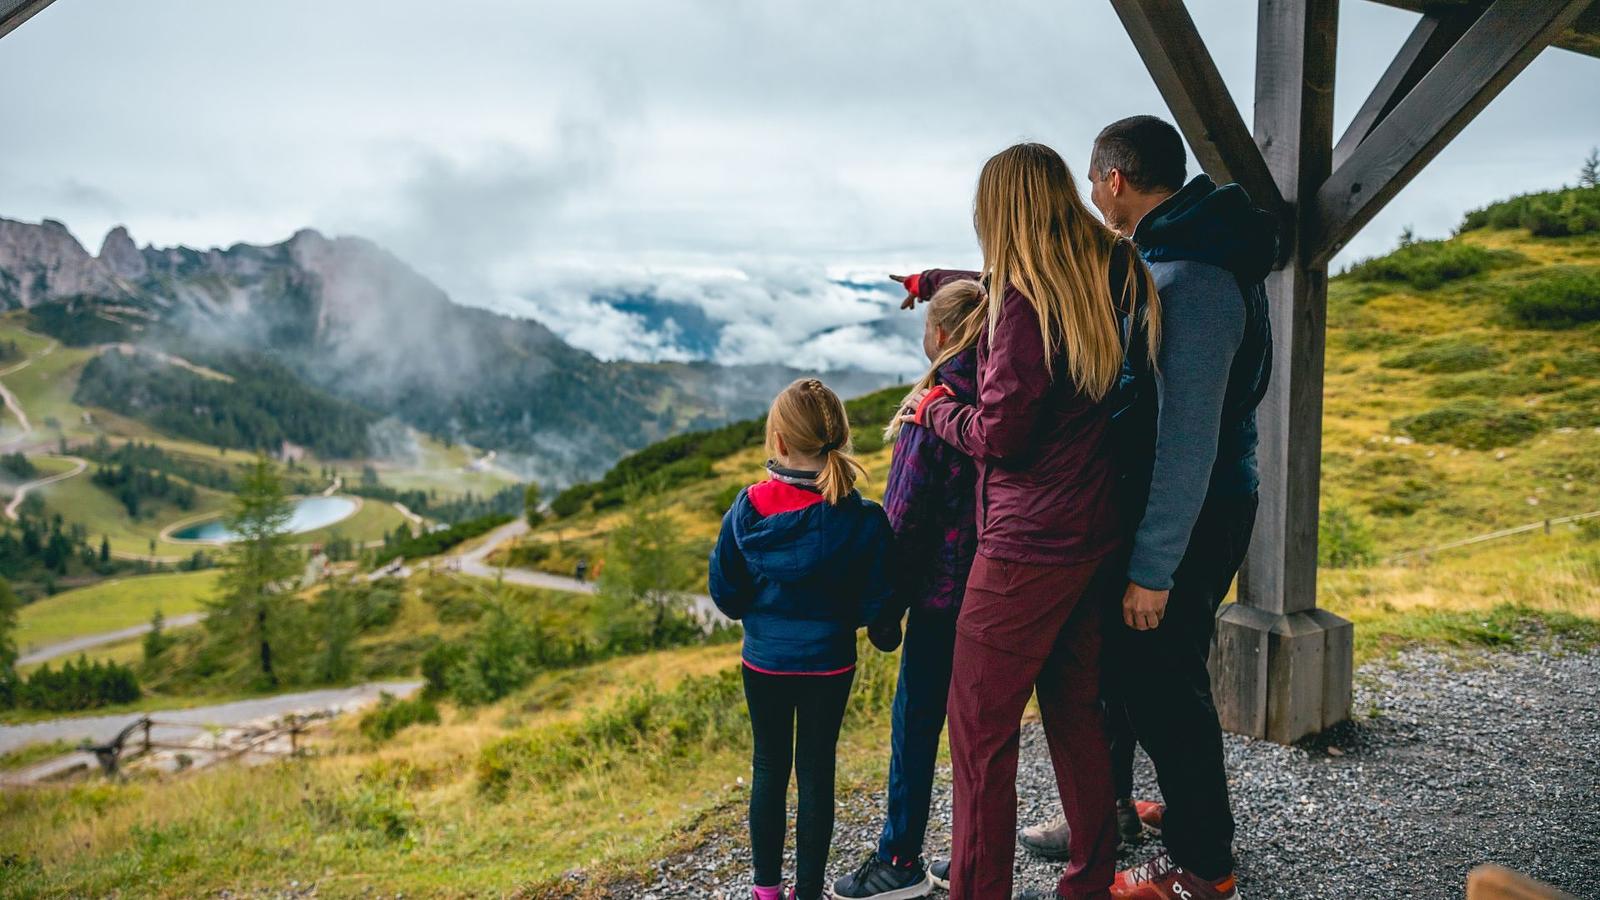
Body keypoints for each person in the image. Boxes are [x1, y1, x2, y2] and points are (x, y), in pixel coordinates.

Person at [1018, 115, 1275, 900]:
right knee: (1127, 673)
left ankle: (1203, 868)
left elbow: (1188, 440)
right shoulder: (1166, 249)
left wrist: (1155, 570)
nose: (1092, 195)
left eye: (1093, 181)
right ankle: (1116, 810)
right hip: (1176, 509)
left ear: (1114, 179)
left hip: (1191, 513)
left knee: (1165, 683)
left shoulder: (1192, 278)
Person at [897, 142, 1160, 900]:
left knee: (979, 730)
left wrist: (939, 409)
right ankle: (1090, 878)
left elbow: (1001, 436)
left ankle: (981, 891)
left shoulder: (1024, 301)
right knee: (1075, 709)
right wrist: (934, 281)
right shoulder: (1113, 271)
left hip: (1023, 547)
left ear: (1002, 208)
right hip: (1095, 529)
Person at [830, 279, 987, 900]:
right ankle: (977, 851)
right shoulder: (1009, 398)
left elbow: (903, 522)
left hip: (939, 600)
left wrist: (883, 609)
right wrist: (933, 281)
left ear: (941, 336)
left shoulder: (934, 410)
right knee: (982, 730)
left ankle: (899, 858)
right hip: (1001, 590)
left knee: (915, 727)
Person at [709, 377, 895, 900]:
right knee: (817, 772)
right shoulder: (863, 518)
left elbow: (726, 595)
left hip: (764, 662)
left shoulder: (746, 510)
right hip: (830, 661)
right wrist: (843, 620)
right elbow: (881, 595)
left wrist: (763, 616)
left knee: (769, 766)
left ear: (781, 442)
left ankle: (766, 892)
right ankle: (808, 892)